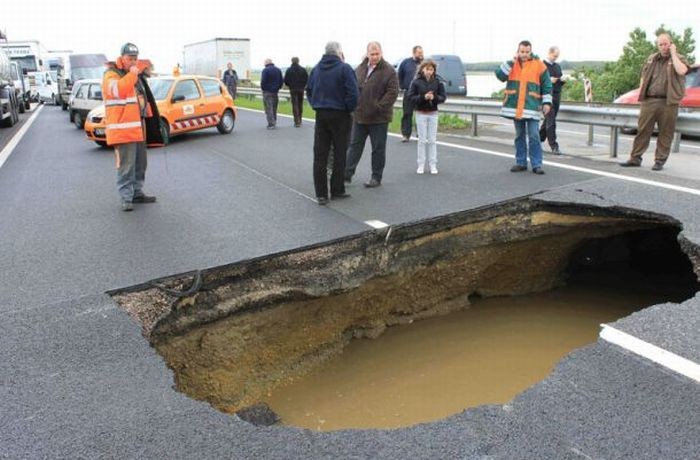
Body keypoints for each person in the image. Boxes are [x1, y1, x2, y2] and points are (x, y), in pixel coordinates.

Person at [103, 43, 163, 211]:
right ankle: (126, 198)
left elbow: (140, 97)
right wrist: (132, 75)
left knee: (140, 164)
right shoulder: (111, 74)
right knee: (126, 166)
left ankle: (137, 193)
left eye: (135, 58)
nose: (133, 61)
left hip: (138, 127)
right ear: (122, 58)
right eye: (130, 58)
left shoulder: (134, 75)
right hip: (123, 129)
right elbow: (118, 91)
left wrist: (151, 118)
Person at [619, 33, 689, 171]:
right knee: (643, 131)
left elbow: (682, 70)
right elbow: (643, 76)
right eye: (660, 44)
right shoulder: (652, 58)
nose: (663, 47)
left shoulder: (679, 58)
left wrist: (674, 53)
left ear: (671, 44)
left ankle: (659, 161)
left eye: (666, 44)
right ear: (657, 45)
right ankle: (635, 158)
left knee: (665, 133)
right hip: (649, 100)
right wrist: (641, 91)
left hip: (668, 102)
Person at [307, 41, 359, 205]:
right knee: (339, 153)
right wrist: (348, 108)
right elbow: (353, 93)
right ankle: (337, 190)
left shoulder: (316, 69)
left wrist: (316, 104)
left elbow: (309, 90)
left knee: (320, 154)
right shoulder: (345, 68)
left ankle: (321, 194)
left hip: (321, 114)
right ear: (338, 52)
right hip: (340, 114)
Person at [345, 41, 399, 188]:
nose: (374, 57)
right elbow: (353, 87)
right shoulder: (360, 68)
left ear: (381, 53)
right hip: (360, 115)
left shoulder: (389, 71)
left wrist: (378, 107)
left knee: (378, 149)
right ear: (367, 54)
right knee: (354, 147)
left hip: (379, 118)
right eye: (372, 54)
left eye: (377, 54)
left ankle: (376, 177)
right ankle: (346, 175)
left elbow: (393, 92)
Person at [495, 40, 552, 175]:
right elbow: (500, 76)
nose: (524, 54)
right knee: (519, 135)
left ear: (530, 51)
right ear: (518, 51)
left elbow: (547, 85)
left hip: (532, 107)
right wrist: (510, 62)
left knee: (534, 136)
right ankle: (521, 162)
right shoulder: (512, 64)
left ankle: (536, 164)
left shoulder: (539, 65)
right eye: (522, 52)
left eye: (527, 52)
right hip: (516, 107)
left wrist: (547, 103)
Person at [406, 59, 446, 174]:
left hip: (433, 113)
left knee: (432, 140)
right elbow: (411, 97)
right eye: (427, 69)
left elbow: (443, 97)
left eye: (431, 69)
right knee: (422, 140)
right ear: (422, 69)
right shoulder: (416, 82)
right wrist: (424, 97)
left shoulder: (438, 82)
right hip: (421, 113)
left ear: (434, 70)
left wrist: (435, 98)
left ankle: (433, 164)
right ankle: (421, 164)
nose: (429, 71)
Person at [539, 46, 565, 155]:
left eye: (557, 56)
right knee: (551, 121)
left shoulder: (557, 66)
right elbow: (538, 80)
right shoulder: (541, 65)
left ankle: (537, 139)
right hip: (546, 97)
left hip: (557, 96)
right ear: (549, 53)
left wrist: (562, 80)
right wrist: (549, 80)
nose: (556, 58)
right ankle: (554, 146)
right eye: (554, 56)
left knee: (549, 120)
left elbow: (559, 78)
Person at [398, 45, 424, 142]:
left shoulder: (425, 64)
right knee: (407, 114)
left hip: (421, 93)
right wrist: (402, 86)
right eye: (419, 53)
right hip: (409, 93)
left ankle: (421, 134)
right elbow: (400, 75)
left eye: (422, 53)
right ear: (414, 53)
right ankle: (406, 135)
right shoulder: (406, 63)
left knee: (421, 114)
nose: (421, 55)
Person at [283, 57, 309, 127]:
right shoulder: (303, 69)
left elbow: (285, 80)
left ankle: (297, 121)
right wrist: (303, 86)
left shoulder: (289, 70)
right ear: (298, 61)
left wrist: (290, 85)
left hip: (293, 89)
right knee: (300, 104)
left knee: (295, 105)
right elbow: (307, 79)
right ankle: (300, 119)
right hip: (301, 89)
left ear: (292, 61)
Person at [260, 58, 283, 129]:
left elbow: (263, 81)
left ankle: (271, 124)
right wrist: (278, 88)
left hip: (267, 92)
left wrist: (264, 89)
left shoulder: (265, 70)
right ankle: (274, 121)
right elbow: (281, 81)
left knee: (268, 108)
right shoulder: (278, 70)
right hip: (275, 92)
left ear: (266, 63)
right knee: (274, 108)